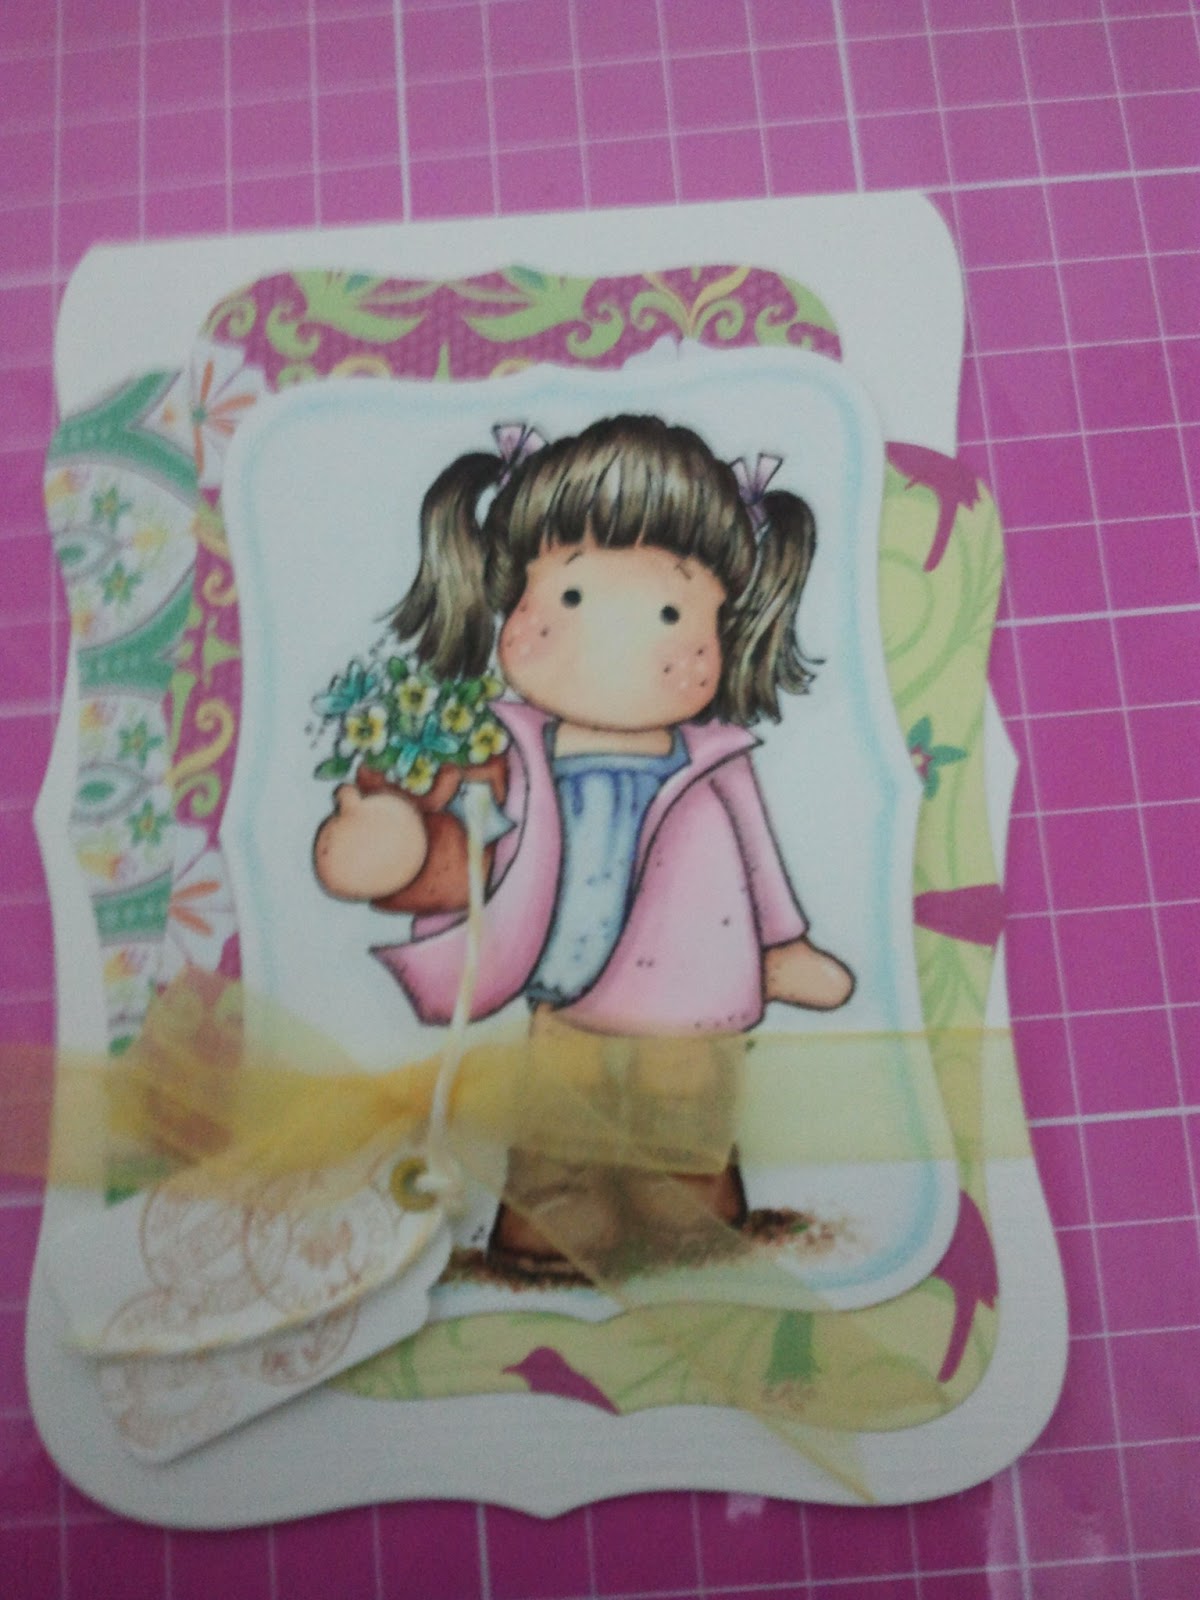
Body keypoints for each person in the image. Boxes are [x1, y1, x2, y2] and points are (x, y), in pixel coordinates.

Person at [312, 414, 854, 1275]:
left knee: (687, 1104)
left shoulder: (719, 765)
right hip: (563, 992)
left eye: (670, 610)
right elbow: (474, 860)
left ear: (722, 628)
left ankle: (686, 1197)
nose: (615, 638)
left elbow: (760, 867)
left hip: (695, 993)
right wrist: (403, 851)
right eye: (569, 596)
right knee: (561, 1105)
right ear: (514, 597)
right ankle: (556, 1201)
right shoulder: (506, 756)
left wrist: (781, 949)